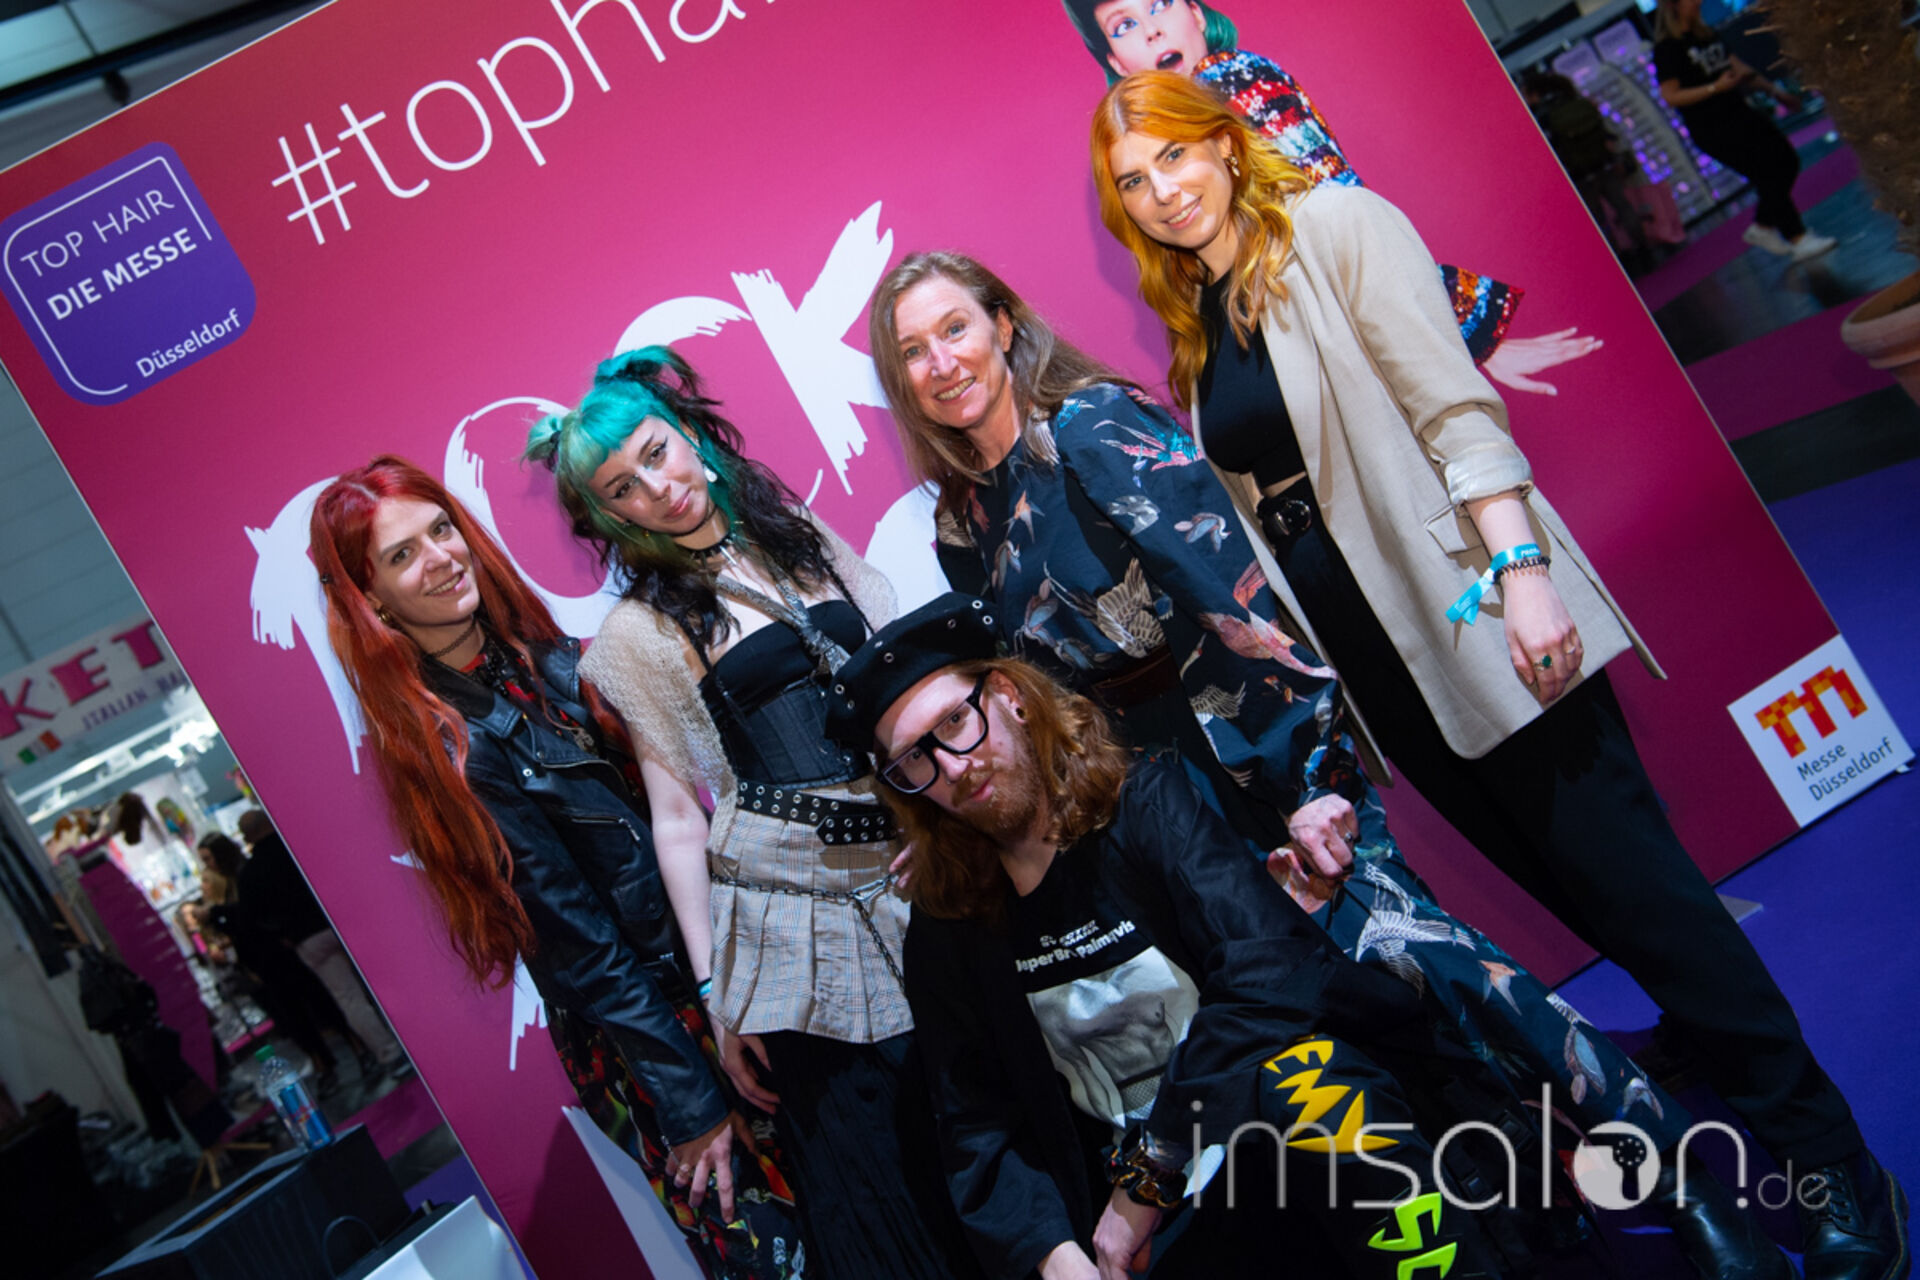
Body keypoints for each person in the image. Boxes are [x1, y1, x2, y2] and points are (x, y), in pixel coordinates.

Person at [1090, 68, 1905, 1280]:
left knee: (1649, 898)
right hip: (1385, 663)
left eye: (1174, 155)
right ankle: (1736, 1084)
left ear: (1224, 143)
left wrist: (1525, 574)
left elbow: (1454, 408)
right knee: (1589, 898)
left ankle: (1833, 1162)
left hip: (1473, 613)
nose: (1163, 190)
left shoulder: (1335, 226)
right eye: (1133, 180)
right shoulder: (1201, 320)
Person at [869, 248, 1787, 1280]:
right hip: (1159, 823)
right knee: (1387, 1029)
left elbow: (1241, 602)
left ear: (1003, 324)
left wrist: (1315, 780)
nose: (942, 362)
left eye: (955, 328)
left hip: (1255, 768)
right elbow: (1029, 701)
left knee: (1468, 991)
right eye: (914, 352)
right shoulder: (963, 523)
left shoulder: (1091, 426)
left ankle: (1694, 1195)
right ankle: (1535, 1218)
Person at [823, 592, 1515, 1280]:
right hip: (1154, 1221)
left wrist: (1155, 1165)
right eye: (914, 759)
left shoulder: (1144, 804)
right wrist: (1053, 1256)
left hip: (1258, 1139)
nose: (951, 766)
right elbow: (975, 1125)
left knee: (1312, 1086)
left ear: (1009, 696)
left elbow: (1271, 970)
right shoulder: (947, 928)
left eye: (955, 722)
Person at [525, 348, 979, 1279]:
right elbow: (680, 821)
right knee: (898, 1171)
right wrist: (719, 992)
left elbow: (898, 682)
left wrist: (936, 820)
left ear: (688, 434)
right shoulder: (639, 636)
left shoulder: (792, 534)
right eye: (624, 488)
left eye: (657, 453)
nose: (658, 489)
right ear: (610, 518)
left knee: (992, 1117)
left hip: (925, 878)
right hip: (804, 936)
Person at [309, 455, 802, 1279]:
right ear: (374, 600)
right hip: (658, 1036)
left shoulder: (550, 662)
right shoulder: (455, 751)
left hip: (725, 979)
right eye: (402, 555)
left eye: (441, 530)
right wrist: (691, 1106)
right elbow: (583, 952)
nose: (441, 558)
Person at [1058, 0, 1603, 397]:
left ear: (1196, 16)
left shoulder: (1232, 79)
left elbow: (1341, 207)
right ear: (1118, 62)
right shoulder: (1154, 144)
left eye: (1161, 4)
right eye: (1125, 24)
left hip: (1338, 332)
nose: (1153, 29)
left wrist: (1467, 329)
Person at [234, 809, 409, 1081]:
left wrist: (285, 933)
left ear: (247, 837)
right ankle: (415, 1038)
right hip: (341, 919)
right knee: (389, 978)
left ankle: (390, 1054)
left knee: (349, 998)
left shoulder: (250, 875)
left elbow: (254, 919)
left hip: (307, 938)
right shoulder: (298, 845)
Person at [1652, 0, 1834, 260]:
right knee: (1765, 172)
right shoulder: (1668, 48)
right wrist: (1715, 88)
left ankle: (1763, 226)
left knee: (1786, 160)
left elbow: (1739, 68)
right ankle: (1796, 236)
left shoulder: (1707, 35)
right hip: (1711, 126)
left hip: (1738, 112)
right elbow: (1671, 95)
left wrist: (1775, 92)